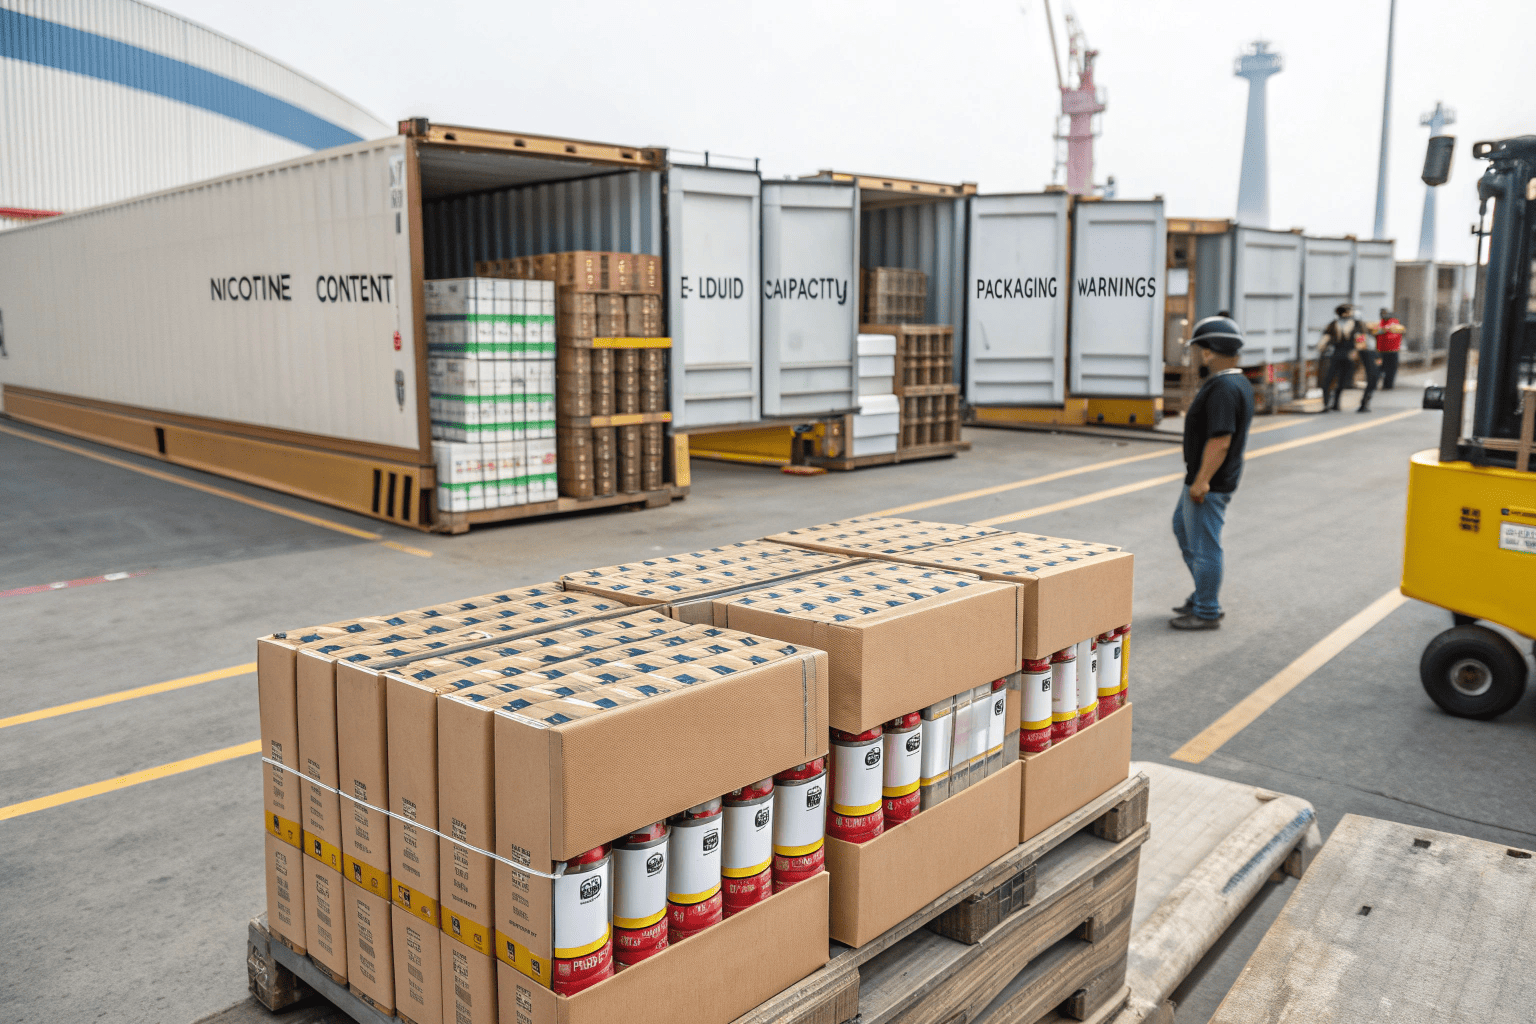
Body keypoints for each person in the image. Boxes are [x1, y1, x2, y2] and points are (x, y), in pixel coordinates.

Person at [1171, 315, 1255, 631]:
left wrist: (1202, 479)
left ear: (1210, 352)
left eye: (1199, 350)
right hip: (1205, 477)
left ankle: (1207, 610)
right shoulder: (1236, 382)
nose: (1197, 357)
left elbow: (1220, 440)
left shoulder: (1223, 387)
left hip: (1210, 481)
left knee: (1205, 546)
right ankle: (1202, 594)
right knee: (1182, 527)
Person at [1319, 304, 1366, 412]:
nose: (1352, 313)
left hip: (1350, 354)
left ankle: (1336, 403)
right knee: (1328, 380)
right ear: (1344, 313)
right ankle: (1326, 404)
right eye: (1350, 311)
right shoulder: (1333, 324)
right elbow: (1325, 337)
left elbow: (1361, 340)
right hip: (1335, 354)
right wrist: (1321, 348)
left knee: (1343, 381)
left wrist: (1356, 352)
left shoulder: (1357, 324)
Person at [1373, 308, 1404, 389]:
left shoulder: (1394, 322)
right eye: (1382, 313)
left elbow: (1401, 330)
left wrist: (1387, 329)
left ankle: (1388, 385)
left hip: (1393, 350)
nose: (1384, 315)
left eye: (1385, 313)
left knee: (1391, 369)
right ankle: (1374, 385)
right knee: (1378, 368)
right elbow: (1375, 332)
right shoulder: (1379, 324)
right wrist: (1383, 330)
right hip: (1381, 351)